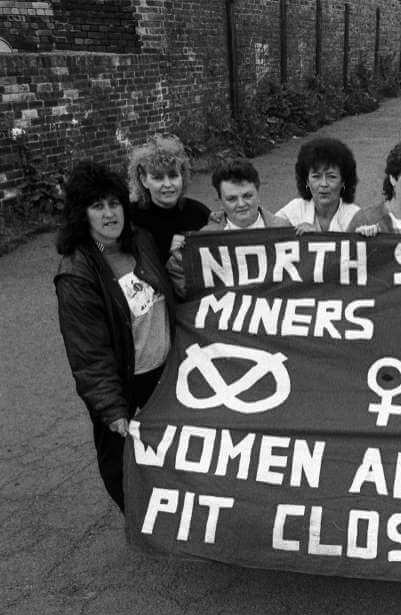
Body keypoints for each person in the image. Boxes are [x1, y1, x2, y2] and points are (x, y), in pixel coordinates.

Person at [54, 161, 175, 512]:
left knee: (167, 450)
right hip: (122, 381)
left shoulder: (140, 240)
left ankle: (167, 515)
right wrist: (112, 408)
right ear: (82, 214)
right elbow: (88, 351)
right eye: (97, 206)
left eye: (114, 203)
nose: (109, 214)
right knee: (119, 463)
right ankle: (138, 520)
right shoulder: (77, 272)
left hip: (162, 372)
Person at [166, 159, 281, 297]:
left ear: (258, 193)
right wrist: (181, 257)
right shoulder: (205, 238)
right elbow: (178, 275)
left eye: (247, 196)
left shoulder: (283, 227)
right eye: (232, 199)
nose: (241, 204)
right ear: (221, 201)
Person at [126, 133, 211, 261]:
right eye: (158, 178)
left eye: (173, 176)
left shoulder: (199, 214)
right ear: (144, 181)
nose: (167, 184)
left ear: (182, 176)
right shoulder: (131, 217)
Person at [274, 136, 361, 233]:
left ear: (343, 181)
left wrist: (317, 237)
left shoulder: (356, 216)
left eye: (331, 177)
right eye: (316, 176)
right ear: (307, 180)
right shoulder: (294, 210)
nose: (324, 184)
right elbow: (267, 230)